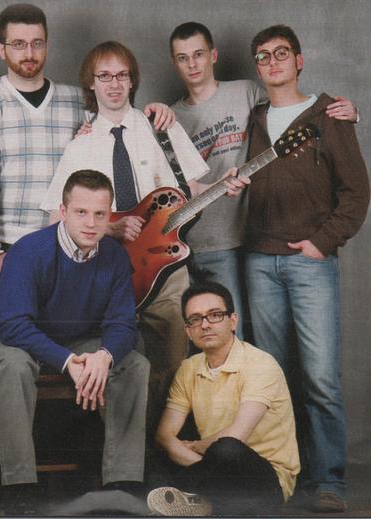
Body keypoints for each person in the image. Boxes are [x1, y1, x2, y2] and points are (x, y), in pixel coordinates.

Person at [41, 40, 247, 406]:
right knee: (116, 365)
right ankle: (126, 437)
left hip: (164, 264)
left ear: (132, 80)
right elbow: (57, 218)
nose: (114, 84)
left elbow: (192, 189)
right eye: (105, 76)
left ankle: (164, 434)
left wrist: (223, 184)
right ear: (91, 83)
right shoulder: (80, 145)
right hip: (104, 269)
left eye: (122, 75)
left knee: (175, 361)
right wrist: (108, 228)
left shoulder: (160, 125)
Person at [0, 170, 150, 512]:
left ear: (110, 216)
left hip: (70, 339)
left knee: (133, 363)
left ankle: (122, 483)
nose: (91, 223)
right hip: (0, 338)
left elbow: (122, 323)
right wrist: (68, 362)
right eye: (81, 212)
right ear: (63, 212)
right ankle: (20, 488)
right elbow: (13, 326)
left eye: (100, 214)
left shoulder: (114, 256)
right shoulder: (29, 250)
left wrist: (104, 356)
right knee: (15, 365)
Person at [245, 25, 369, 513]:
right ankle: (282, 472)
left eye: (281, 53)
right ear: (257, 67)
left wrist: (322, 243)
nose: (272, 62)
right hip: (258, 260)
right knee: (272, 377)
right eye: (263, 56)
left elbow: (356, 193)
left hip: (309, 262)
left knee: (320, 378)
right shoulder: (255, 118)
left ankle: (329, 480)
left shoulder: (329, 114)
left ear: (299, 60)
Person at [169, 22, 358, 339]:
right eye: (182, 58)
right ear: (174, 63)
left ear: (213, 55)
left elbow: (293, 108)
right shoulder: (169, 118)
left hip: (248, 241)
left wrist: (351, 112)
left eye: (198, 54)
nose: (192, 64)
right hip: (196, 244)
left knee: (252, 344)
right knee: (213, 341)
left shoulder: (247, 93)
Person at [0, 3, 174, 276]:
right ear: (1, 50)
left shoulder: (76, 100)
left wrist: (156, 111)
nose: (29, 53)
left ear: (47, 46)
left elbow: (120, 122)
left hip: (70, 243)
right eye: (18, 44)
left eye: (37, 43)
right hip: (12, 244)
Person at [146, 282, 299, 516]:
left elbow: (236, 436)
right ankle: (202, 502)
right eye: (195, 319)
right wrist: (200, 461)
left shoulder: (260, 364)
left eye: (215, 315)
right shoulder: (189, 368)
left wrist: (194, 447)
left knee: (227, 449)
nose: (205, 324)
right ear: (188, 331)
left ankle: (192, 495)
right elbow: (164, 436)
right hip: (211, 466)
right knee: (154, 451)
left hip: (264, 480)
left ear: (233, 321)